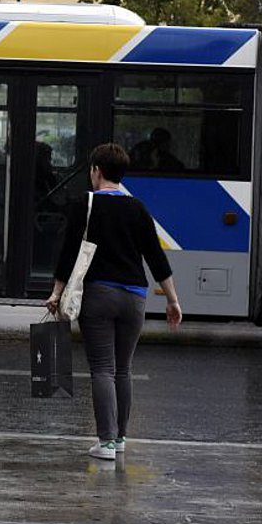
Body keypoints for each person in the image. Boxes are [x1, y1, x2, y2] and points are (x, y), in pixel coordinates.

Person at [46, 142, 182, 461]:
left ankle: (105, 442)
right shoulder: (137, 208)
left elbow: (68, 252)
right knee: (124, 369)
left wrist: (56, 292)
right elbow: (156, 258)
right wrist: (173, 301)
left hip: (99, 295)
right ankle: (119, 438)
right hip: (135, 297)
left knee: (103, 369)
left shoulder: (86, 203)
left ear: (96, 171)